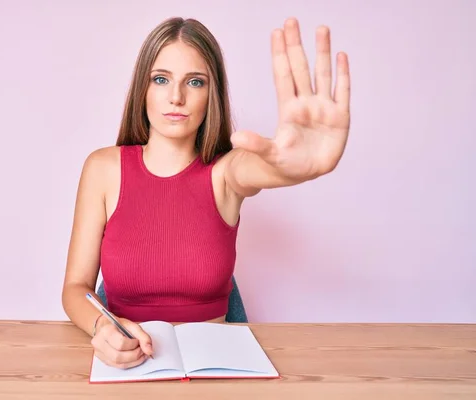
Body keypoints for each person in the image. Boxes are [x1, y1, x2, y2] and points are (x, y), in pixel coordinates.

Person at [61, 16, 351, 369]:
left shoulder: (226, 172)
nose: (176, 96)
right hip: (125, 370)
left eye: (195, 82)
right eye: (161, 79)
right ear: (143, 88)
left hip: (215, 372)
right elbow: (76, 287)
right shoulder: (102, 168)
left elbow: (261, 168)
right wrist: (102, 327)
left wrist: (299, 165)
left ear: (211, 94)